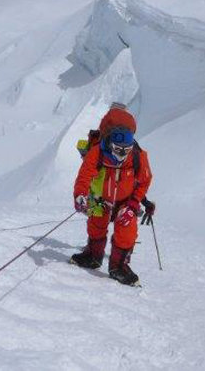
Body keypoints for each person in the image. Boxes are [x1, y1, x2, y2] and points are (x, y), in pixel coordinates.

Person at [70, 104, 152, 286]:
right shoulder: (97, 151)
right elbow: (85, 174)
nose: (122, 154)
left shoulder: (138, 156)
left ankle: (119, 267)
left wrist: (133, 205)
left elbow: (145, 180)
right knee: (96, 225)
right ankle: (93, 256)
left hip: (125, 202)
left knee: (127, 231)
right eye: (118, 149)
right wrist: (80, 195)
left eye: (126, 150)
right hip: (101, 199)